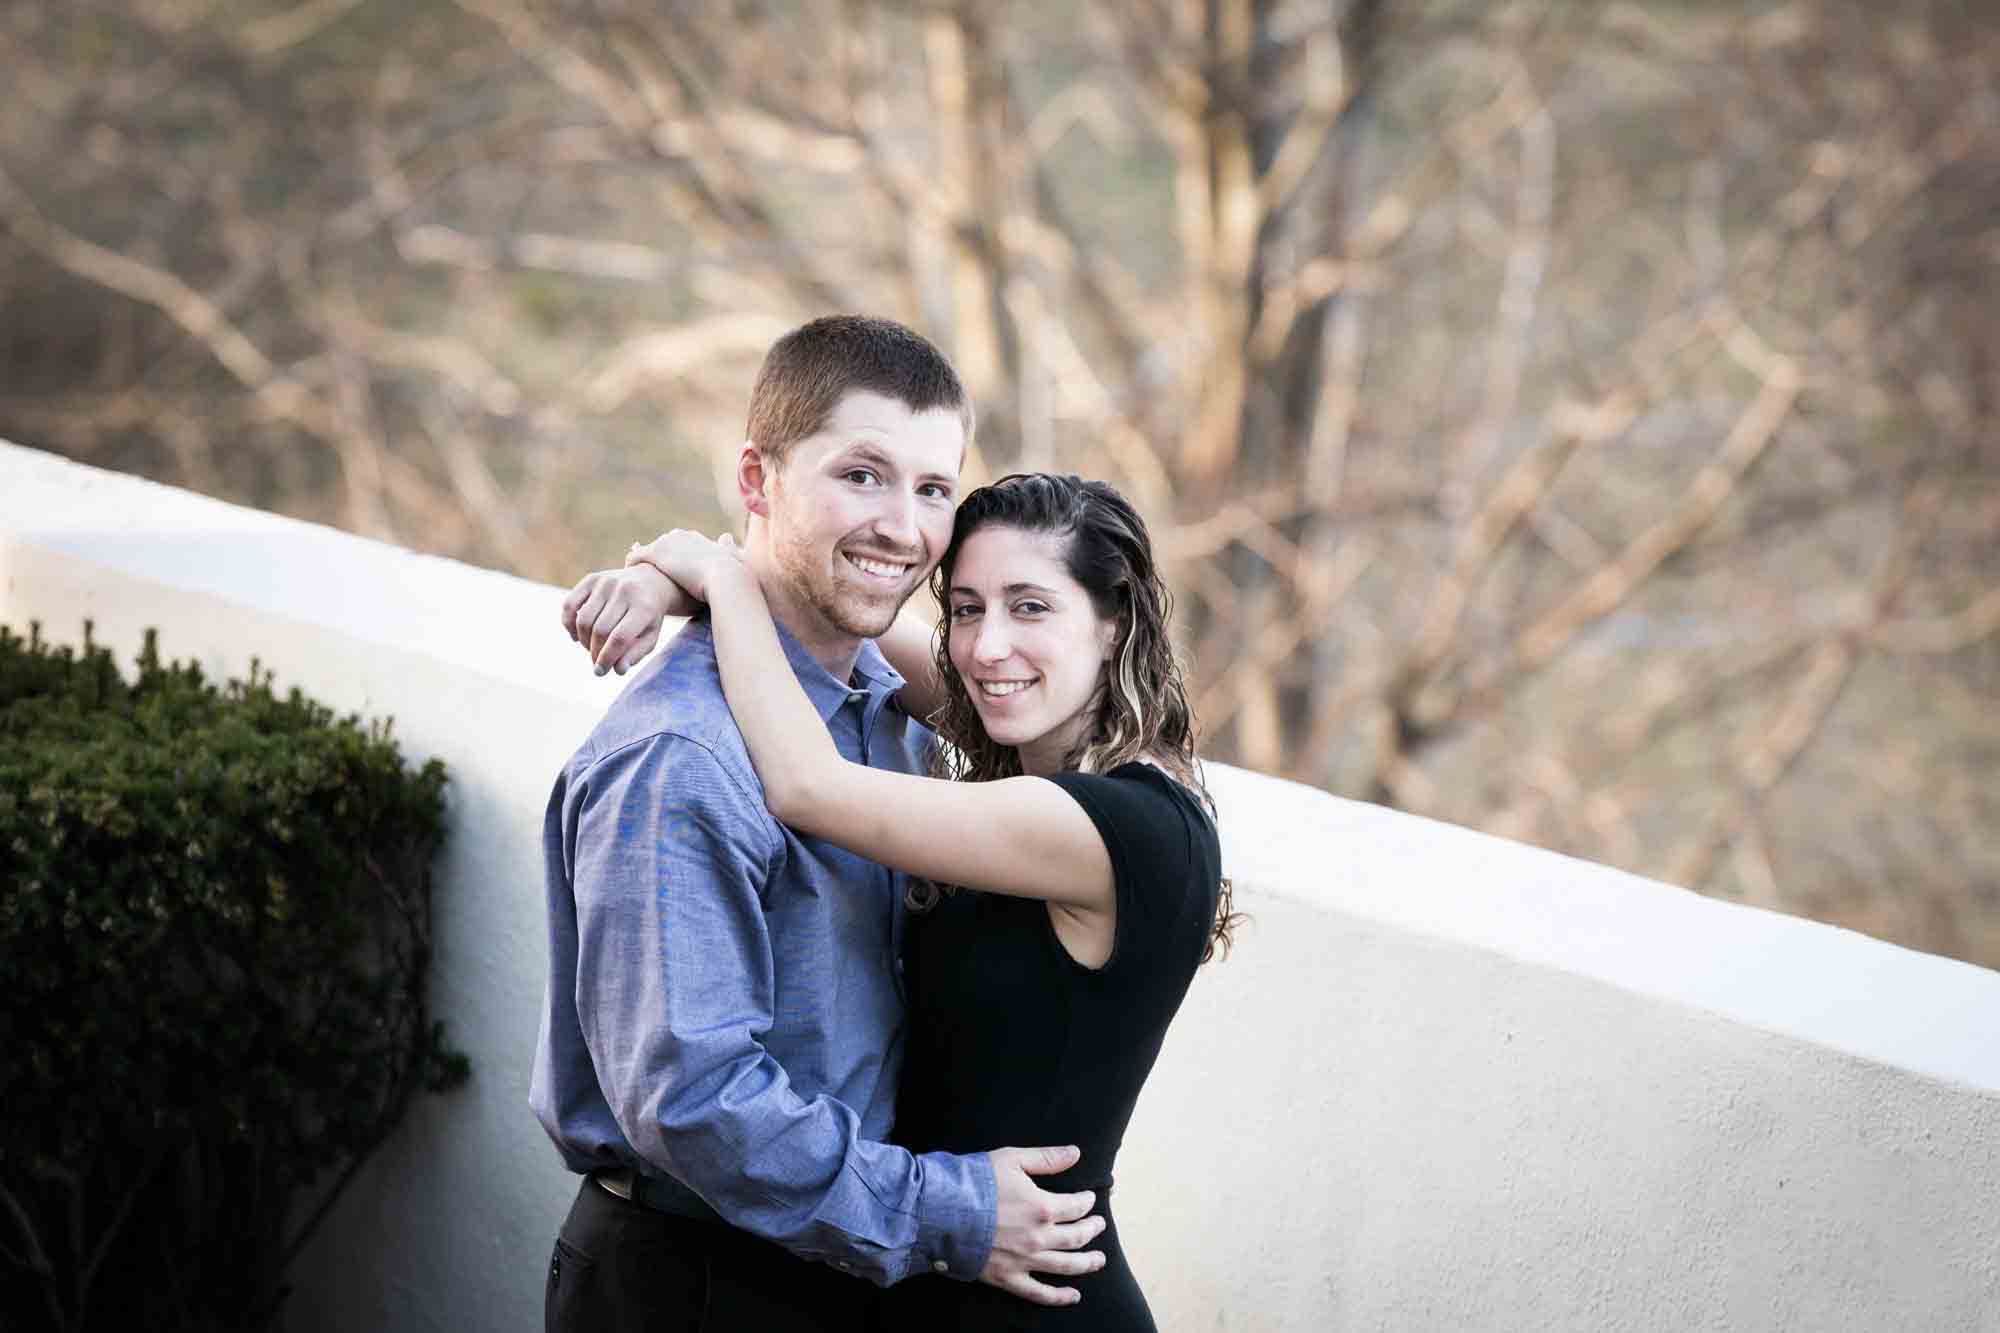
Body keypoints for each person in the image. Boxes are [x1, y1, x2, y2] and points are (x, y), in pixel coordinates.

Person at [533, 317, 1108, 1333]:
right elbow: (696, 1101)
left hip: (835, 1269)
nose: (902, 527)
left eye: (933, 488)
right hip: (699, 1285)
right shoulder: (680, 756)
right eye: (861, 475)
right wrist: (952, 1211)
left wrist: (689, 570)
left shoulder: (889, 711)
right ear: (756, 481)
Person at [572, 471, 1235, 1330]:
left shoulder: (1117, 824)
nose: (989, 647)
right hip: (933, 1273)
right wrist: (672, 573)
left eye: (1031, 606)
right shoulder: (1050, 754)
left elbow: (808, 785)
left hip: (1031, 1302)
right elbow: (832, 613)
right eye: (965, 607)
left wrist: (721, 581)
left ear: (1113, 625)